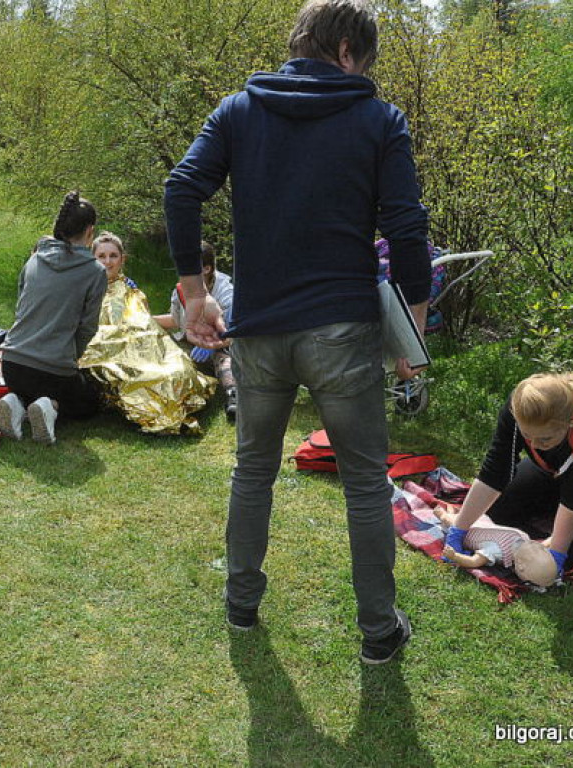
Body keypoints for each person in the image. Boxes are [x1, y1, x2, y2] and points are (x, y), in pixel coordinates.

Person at [163, 0, 431, 664]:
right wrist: (413, 341)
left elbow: (181, 189)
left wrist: (194, 296)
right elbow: (407, 230)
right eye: (365, 60)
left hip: (258, 329)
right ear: (345, 50)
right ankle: (378, 632)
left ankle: (241, 605)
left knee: (253, 470)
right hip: (343, 331)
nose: (367, 72)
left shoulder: (237, 111)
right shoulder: (378, 120)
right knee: (367, 482)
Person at [444, 373, 573, 579]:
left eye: (545, 438)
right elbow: (496, 470)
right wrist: (459, 529)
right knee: (498, 512)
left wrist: (556, 555)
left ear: (569, 422)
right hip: (552, 470)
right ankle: (552, 511)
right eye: (528, 436)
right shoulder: (521, 407)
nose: (534, 445)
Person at [0, 192, 107, 445]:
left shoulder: (34, 259)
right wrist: (71, 358)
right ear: (90, 231)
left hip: (11, 365)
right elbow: (87, 327)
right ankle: (50, 406)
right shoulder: (94, 271)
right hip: (54, 371)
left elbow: (20, 306)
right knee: (89, 402)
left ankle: (16, 402)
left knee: (29, 386)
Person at [82, 232, 216, 433]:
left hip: (143, 347)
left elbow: (146, 323)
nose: (107, 262)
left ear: (122, 259)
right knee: (144, 379)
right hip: (107, 351)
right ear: (92, 259)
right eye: (101, 256)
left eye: (113, 256)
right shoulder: (85, 290)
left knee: (178, 371)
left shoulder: (130, 289)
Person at [153, 241, 239, 420]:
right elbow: (175, 321)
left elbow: (235, 333)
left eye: (188, 265)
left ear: (206, 269)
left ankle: (234, 397)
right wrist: (145, 320)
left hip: (222, 347)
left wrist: (212, 345)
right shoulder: (181, 290)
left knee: (225, 361)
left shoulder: (226, 291)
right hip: (190, 343)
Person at [433, 505, 558, 588]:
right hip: (468, 531)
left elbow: (544, 544)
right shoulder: (496, 551)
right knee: (450, 522)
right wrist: (454, 556)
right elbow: (473, 562)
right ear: (520, 567)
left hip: (484, 522)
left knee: (459, 518)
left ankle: (453, 513)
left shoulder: (526, 541)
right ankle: (442, 514)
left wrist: (553, 539)